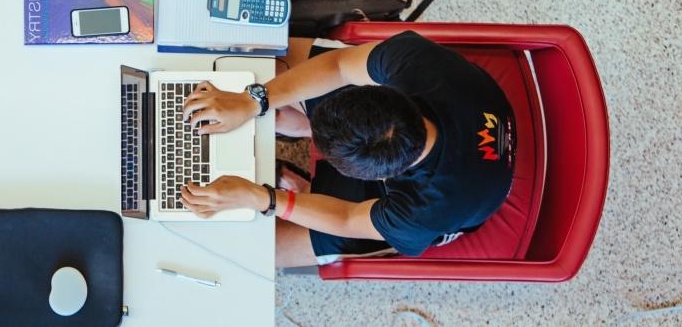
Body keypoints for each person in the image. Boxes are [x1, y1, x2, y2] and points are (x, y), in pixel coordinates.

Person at [179, 30, 516, 267]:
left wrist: (264, 199)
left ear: (382, 179)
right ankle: (289, 118)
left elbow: (348, 217)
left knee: (250, 250)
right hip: (458, 105)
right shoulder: (412, 63)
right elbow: (339, 66)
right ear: (383, 90)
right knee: (270, 58)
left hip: (458, 201)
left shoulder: (417, 214)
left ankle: (299, 170)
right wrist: (253, 100)